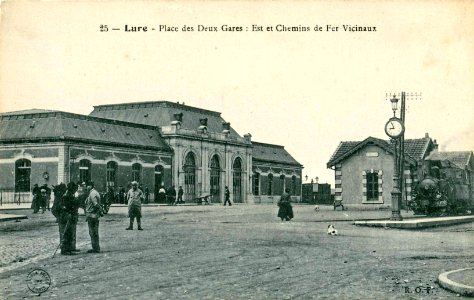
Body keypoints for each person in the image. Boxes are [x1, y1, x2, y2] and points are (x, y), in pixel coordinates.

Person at [52, 182, 79, 255]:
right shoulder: (62, 197)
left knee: (69, 233)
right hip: (63, 218)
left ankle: (69, 249)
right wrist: (60, 217)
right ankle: (64, 250)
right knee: (64, 234)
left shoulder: (67, 195)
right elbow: (56, 209)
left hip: (68, 218)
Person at [85, 181, 102, 253]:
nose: (86, 187)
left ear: (91, 186)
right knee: (94, 232)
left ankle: (95, 248)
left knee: (92, 232)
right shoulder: (95, 192)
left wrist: (96, 211)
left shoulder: (92, 193)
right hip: (94, 215)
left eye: (87, 185)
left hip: (92, 215)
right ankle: (96, 247)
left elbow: (96, 204)